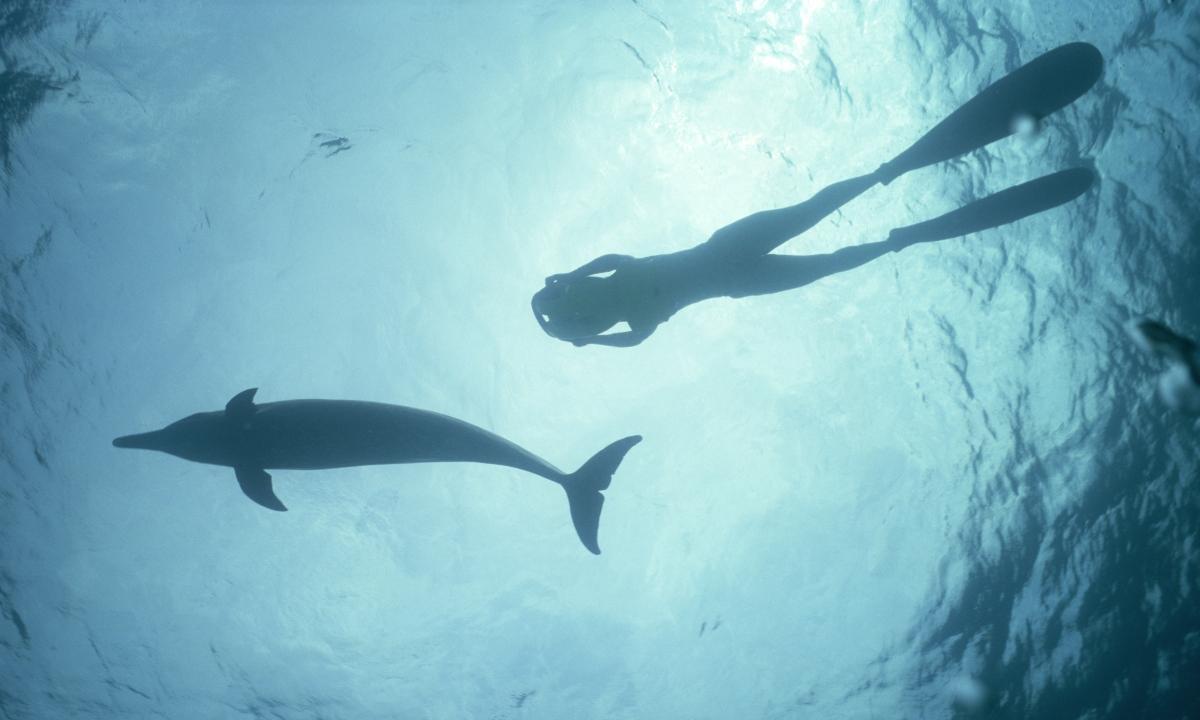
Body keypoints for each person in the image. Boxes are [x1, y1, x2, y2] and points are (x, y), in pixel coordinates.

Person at [531, 42, 1104, 348]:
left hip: (726, 253)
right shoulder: (630, 317)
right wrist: (577, 306)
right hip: (736, 279)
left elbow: (601, 265)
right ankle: (898, 231)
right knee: (827, 262)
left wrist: (567, 279)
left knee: (816, 212)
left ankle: (892, 175)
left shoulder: (625, 296)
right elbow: (612, 315)